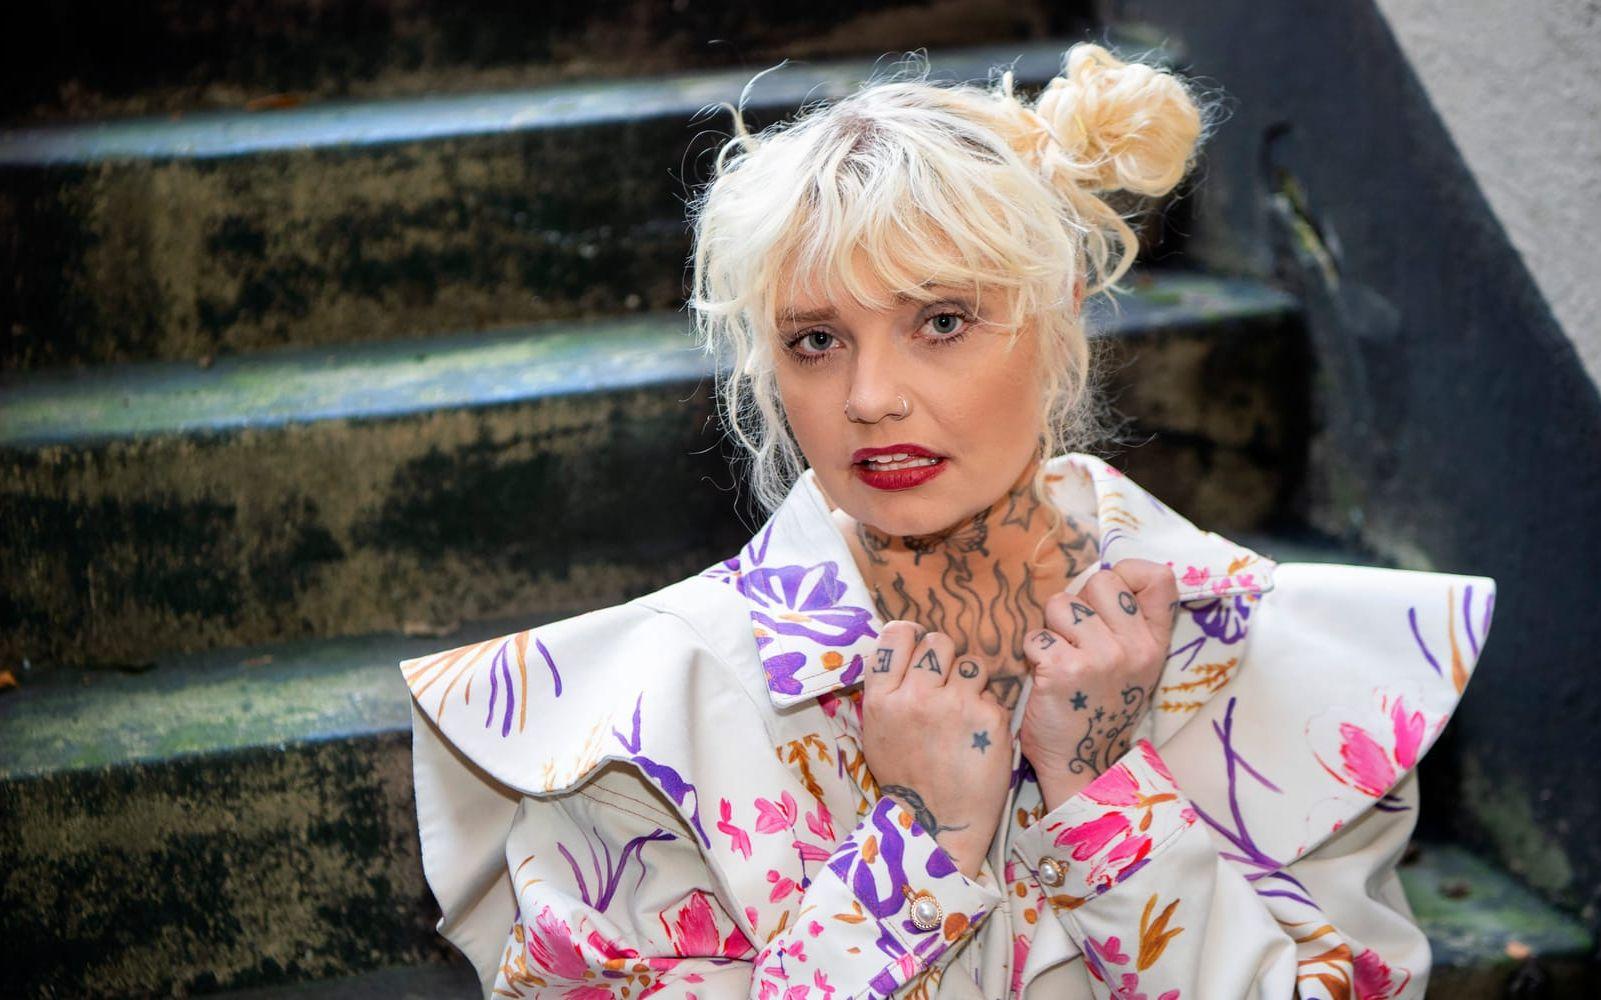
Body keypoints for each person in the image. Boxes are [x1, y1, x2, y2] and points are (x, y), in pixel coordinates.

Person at [399, 42, 1496, 999]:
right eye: (815, 341)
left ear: (1060, 306)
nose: (870, 397)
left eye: (939, 320)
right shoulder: (638, 729)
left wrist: (1105, 796)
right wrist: (915, 848)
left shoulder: (1280, 660)